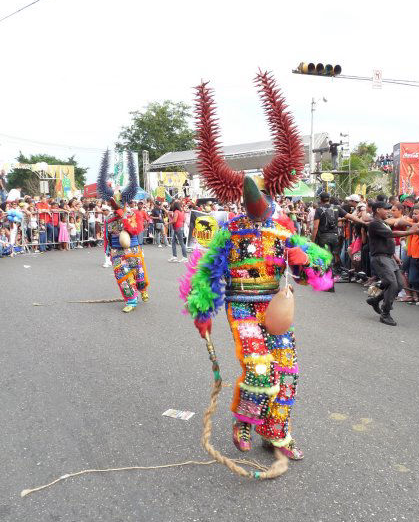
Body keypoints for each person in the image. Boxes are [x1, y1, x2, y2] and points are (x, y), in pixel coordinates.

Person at [181, 72, 333, 461]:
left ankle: (276, 433)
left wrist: (305, 260)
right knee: (259, 369)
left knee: (288, 374)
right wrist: (202, 309)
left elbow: (318, 259)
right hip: (242, 306)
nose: (258, 203)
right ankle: (245, 420)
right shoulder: (229, 229)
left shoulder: (282, 227)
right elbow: (207, 271)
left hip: (275, 307)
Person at [97, 150, 149, 312]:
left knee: (138, 273)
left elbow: (136, 229)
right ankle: (131, 301)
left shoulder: (131, 213)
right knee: (122, 276)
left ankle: (142, 289)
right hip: (116, 251)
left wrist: (124, 217)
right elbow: (106, 235)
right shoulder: (109, 218)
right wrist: (108, 249)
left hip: (132, 248)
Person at [367, 202, 419, 326]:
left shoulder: (383, 223)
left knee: (399, 285)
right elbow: (391, 235)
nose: (388, 212)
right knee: (392, 284)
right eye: (386, 209)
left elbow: (387, 240)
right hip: (380, 258)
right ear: (378, 210)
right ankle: (385, 313)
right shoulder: (374, 223)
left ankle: (375, 299)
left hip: (389, 258)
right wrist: (412, 232)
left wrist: (394, 256)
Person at [311, 192, 365, 274]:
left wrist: (312, 240)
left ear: (320, 200)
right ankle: (337, 271)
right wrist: (363, 222)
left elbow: (315, 227)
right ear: (329, 199)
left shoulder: (319, 210)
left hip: (323, 237)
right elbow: (350, 216)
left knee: (326, 255)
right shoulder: (336, 208)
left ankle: (328, 274)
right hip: (335, 236)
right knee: (336, 254)